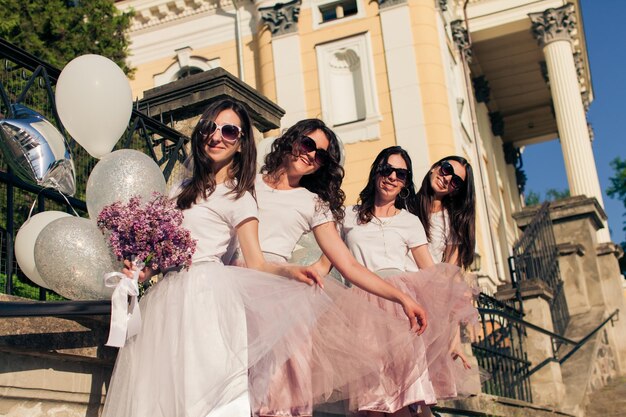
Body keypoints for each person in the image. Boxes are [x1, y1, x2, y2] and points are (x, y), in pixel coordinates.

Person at [102, 99, 341, 417]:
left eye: (229, 131)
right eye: (208, 128)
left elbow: (257, 261)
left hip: (208, 298)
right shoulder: (180, 191)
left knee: (211, 392)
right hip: (167, 299)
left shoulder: (240, 196)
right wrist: (140, 272)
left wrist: (291, 271)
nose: (216, 136)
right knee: (162, 393)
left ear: (241, 143)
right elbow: (165, 252)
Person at [239, 120, 430, 417]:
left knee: (275, 396)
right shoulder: (245, 180)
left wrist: (402, 298)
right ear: (291, 140)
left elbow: (349, 265)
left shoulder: (314, 204)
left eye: (321, 155)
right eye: (307, 144)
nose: (311, 155)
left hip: (276, 291)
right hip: (232, 280)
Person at [335, 147, 479, 416]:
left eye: (400, 174)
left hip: (401, 311)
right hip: (361, 308)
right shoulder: (347, 215)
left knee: (406, 398)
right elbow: (329, 256)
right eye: (387, 169)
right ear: (376, 169)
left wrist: (452, 333)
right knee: (372, 398)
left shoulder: (411, 222)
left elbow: (435, 275)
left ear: (405, 181)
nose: (392, 177)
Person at [408, 156, 476, 269]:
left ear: (456, 191)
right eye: (447, 169)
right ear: (434, 167)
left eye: (455, 181)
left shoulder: (450, 222)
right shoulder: (403, 206)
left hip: (427, 283)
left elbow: (451, 269)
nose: (447, 179)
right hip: (395, 281)